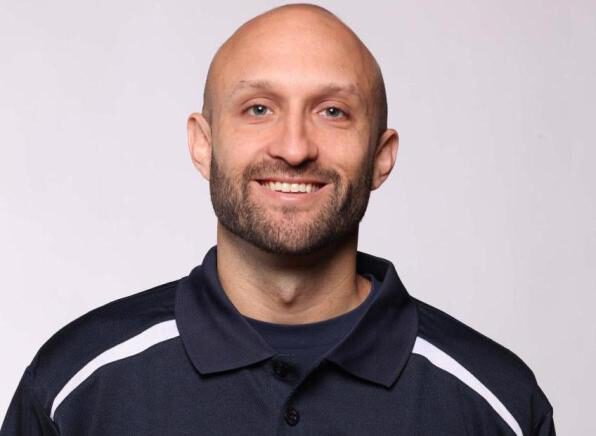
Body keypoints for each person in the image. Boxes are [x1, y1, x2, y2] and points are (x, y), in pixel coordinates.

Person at [1, 4, 555, 435]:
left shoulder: (498, 404)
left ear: (381, 157)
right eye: (259, 109)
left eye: (333, 111)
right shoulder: (75, 387)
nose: (293, 148)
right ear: (203, 145)